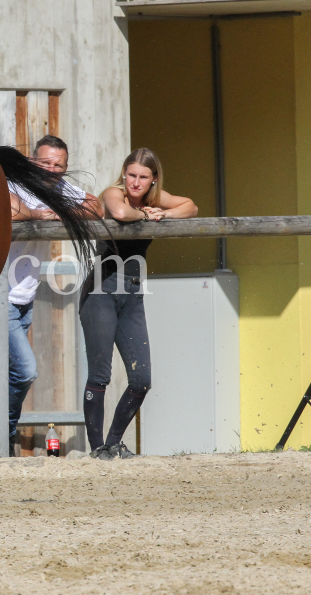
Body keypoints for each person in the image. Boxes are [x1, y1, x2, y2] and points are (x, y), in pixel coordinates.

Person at [0, 135, 102, 458]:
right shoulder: (14, 181)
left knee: (1, 375)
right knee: (26, 370)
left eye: (58, 165)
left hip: (24, 295)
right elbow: (5, 210)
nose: (51, 170)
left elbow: (96, 207)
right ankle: (5, 435)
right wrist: (35, 213)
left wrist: (65, 209)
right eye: (45, 163)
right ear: (32, 162)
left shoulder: (58, 189)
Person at [81, 147, 197, 460]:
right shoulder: (113, 193)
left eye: (143, 177)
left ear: (153, 180)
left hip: (132, 292)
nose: (135, 182)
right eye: (131, 174)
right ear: (124, 174)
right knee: (100, 375)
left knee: (142, 379)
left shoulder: (153, 199)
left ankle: (114, 441)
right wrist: (148, 215)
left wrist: (166, 213)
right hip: (101, 290)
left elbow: (191, 206)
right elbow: (120, 213)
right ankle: (97, 450)